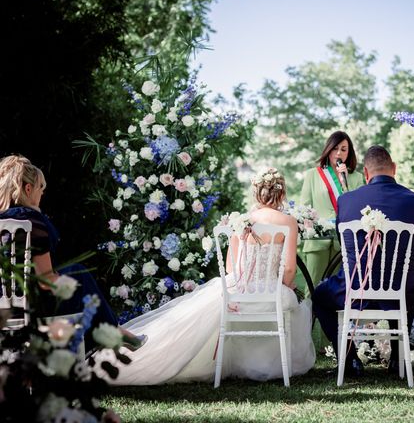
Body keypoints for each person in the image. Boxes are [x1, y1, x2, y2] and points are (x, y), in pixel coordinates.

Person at [99, 168, 316, 385]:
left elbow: (231, 267)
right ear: (281, 192)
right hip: (270, 291)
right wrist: (286, 287)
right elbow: (288, 270)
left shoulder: (242, 220)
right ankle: (265, 363)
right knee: (293, 304)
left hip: (238, 291)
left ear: (256, 191)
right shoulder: (287, 222)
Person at [312, 145, 414, 376]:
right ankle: (398, 360)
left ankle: (348, 362)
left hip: (354, 291)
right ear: (394, 169)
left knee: (320, 297)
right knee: (408, 280)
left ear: (366, 174)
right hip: (401, 293)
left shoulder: (346, 201)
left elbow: (344, 242)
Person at [0, 155, 144, 351]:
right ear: (28, 189)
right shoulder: (31, 223)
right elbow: (45, 281)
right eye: (40, 189)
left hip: (4, 309)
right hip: (32, 308)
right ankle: (111, 332)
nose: (41, 195)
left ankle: (110, 333)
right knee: (78, 275)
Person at [299, 131, 365, 293]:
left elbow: (358, 208)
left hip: (343, 242)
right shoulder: (313, 175)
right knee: (312, 289)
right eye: (335, 148)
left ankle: (333, 319)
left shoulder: (356, 177)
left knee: (337, 291)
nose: (339, 153)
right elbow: (304, 208)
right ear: (328, 149)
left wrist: (344, 183)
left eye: (344, 149)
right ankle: (308, 319)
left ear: (349, 153)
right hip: (317, 241)